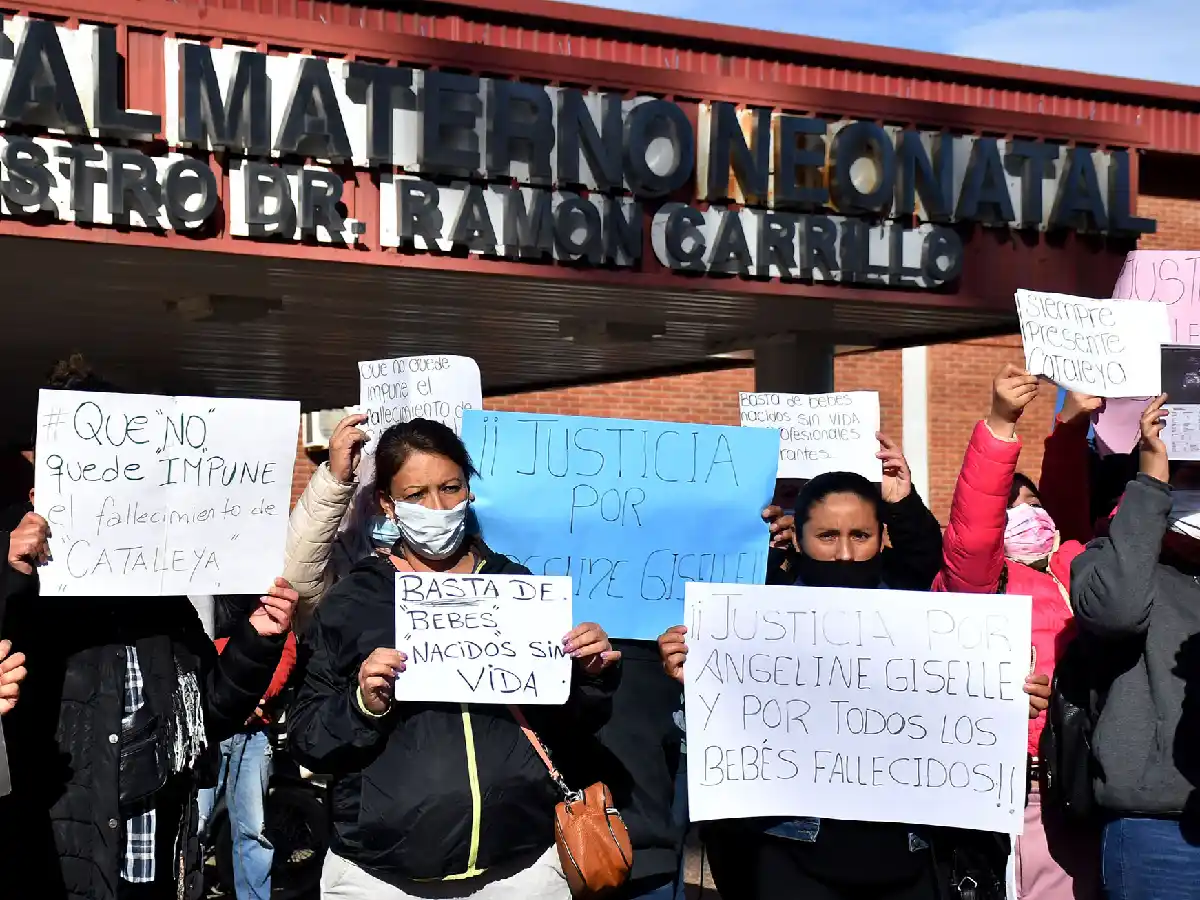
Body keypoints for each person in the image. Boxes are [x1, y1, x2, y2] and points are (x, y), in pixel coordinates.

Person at [0, 355, 299, 900]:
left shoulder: (161, 602)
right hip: (60, 869)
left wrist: (255, 640)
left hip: (156, 864)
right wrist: (8, 570)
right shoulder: (26, 592)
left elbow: (208, 714)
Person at [287, 417, 622, 898]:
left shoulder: (517, 587)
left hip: (520, 871)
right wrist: (363, 705)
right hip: (379, 879)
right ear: (388, 503)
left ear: (469, 489)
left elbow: (572, 726)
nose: (437, 507)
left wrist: (589, 677)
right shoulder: (353, 600)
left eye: (450, 487)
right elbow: (307, 738)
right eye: (416, 494)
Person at [657, 465, 1019, 900]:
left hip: (905, 858)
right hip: (790, 858)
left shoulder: (923, 618)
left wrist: (1008, 701)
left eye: (860, 536)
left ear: (882, 535)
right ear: (799, 536)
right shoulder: (756, 619)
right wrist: (689, 680)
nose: (845, 553)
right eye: (828, 536)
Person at [933, 365, 1101, 900]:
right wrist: (1001, 420)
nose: (1023, 514)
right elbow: (975, 526)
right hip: (1014, 791)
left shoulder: (1075, 562)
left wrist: (1072, 426)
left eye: (1032, 504)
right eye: (1009, 506)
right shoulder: (976, 581)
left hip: (1085, 786)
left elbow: (1071, 502)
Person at [1071, 393, 1200, 898]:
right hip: (1157, 827)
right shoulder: (1105, 558)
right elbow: (1117, 611)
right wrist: (1153, 484)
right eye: (1183, 476)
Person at [198, 594, 299, 900]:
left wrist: (258, 698)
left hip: (254, 734)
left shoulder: (266, 593)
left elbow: (286, 647)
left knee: (252, 829)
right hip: (208, 731)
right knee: (193, 824)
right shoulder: (201, 596)